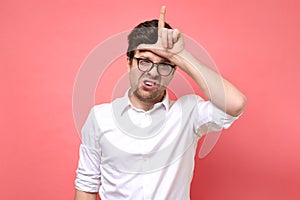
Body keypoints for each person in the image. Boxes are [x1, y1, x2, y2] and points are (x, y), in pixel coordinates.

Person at [74, 6, 247, 200]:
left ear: (173, 71)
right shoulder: (100, 117)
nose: (153, 72)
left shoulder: (189, 113)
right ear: (129, 62)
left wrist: (179, 55)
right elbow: (86, 184)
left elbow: (235, 103)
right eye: (144, 61)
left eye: (164, 65)